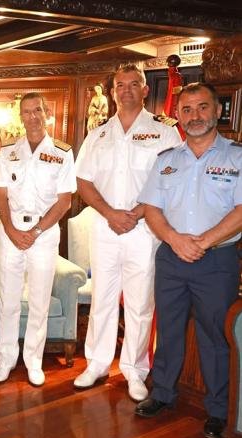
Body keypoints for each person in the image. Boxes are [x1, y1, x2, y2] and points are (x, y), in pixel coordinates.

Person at [135, 83, 242, 438]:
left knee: (215, 336)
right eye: (187, 110)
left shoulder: (237, 157)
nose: (194, 115)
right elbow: (151, 208)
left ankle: (216, 409)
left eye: (202, 107)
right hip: (171, 258)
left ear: (217, 112)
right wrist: (175, 240)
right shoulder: (166, 160)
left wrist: (205, 241)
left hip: (217, 260)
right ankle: (162, 393)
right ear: (178, 116)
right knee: (168, 330)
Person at [75, 63, 183, 401]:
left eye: (133, 84)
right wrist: (109, 213)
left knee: (139, 303)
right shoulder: (98, 135)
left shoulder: (165, 132)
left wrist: (137, 212)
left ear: (145, 89)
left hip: (145, 229)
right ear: (112, 92)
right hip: (105, 227)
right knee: (102, 299)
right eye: (120, 85)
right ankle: (96, 363)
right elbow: (83, 181)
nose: (126, 90)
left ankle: (135, 371)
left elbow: (172, 178)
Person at [0, 93, 76, 387]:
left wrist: (37, 231)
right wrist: (13, 231)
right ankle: (6, 360)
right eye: (26, 112)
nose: (32, 117)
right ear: (21, 117)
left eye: (37, 110)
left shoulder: (63, 153)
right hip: (11, 232)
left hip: (44, 235)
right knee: (9, 300)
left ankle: (33, 362)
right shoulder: (5, 152)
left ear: (47, 112)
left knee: (39, 302)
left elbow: (64, 201)